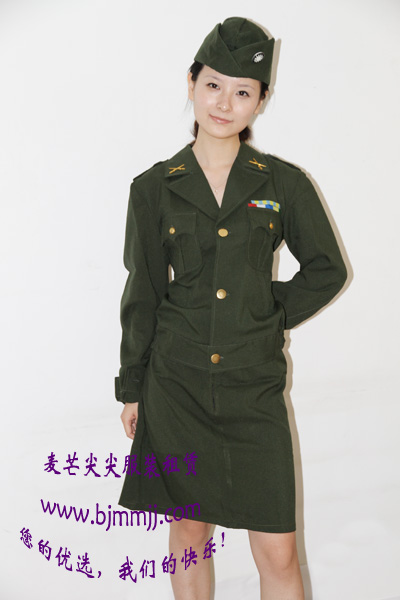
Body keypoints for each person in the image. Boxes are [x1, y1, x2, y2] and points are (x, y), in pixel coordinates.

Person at [115, 16, 347, 600]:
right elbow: (143, 291)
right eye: (213, 84)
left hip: (253, 386)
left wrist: (264, 313)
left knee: (279, 550)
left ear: (261, 101)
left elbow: (327, 269)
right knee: (189, 533)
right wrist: (132, 387)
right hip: (177, 384)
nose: (224, 103)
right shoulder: (153, 188)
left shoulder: (284, 183)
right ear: (191, 83)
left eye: (243, 91)